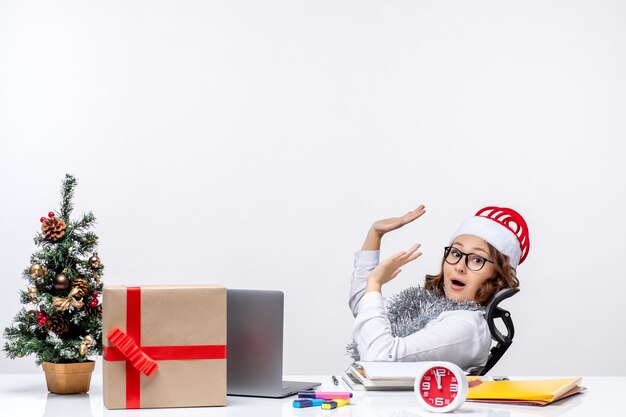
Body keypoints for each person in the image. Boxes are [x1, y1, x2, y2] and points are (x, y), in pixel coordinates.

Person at [349, 204, 529, 371]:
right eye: (456, 253)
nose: (459, 266)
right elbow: (364, 306)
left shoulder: (466, 327)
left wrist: (375, 283)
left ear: (497, 276)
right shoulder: (433, 309)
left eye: (477, 260)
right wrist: (375, 234)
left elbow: (379, 359)